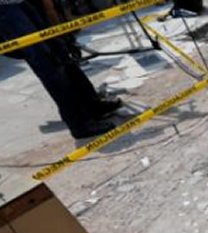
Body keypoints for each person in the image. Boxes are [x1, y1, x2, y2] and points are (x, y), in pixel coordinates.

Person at [0, 0, 122, 139]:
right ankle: (80, 124)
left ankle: (93, 106)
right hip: (6, 9)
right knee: (47, 62)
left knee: (61, 53)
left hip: (22, 3)